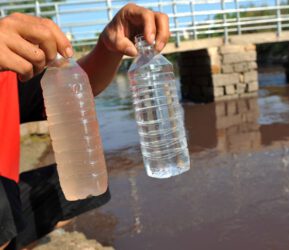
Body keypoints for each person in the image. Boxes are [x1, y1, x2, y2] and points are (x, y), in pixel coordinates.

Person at [0, 3, 170, 250]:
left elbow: (72, 90)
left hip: (9, 188)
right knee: (2, 204)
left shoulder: (7, 73)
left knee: (82, 188)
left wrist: (109, 47)